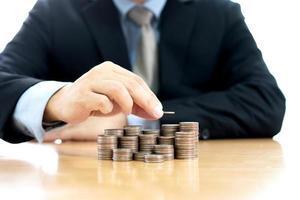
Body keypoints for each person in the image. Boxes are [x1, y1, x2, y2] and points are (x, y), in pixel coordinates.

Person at [0, 0, 285, 143]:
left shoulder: (218, 12)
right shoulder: (56, 11)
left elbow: (266, 102)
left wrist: (132, 122)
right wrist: (56, 102)